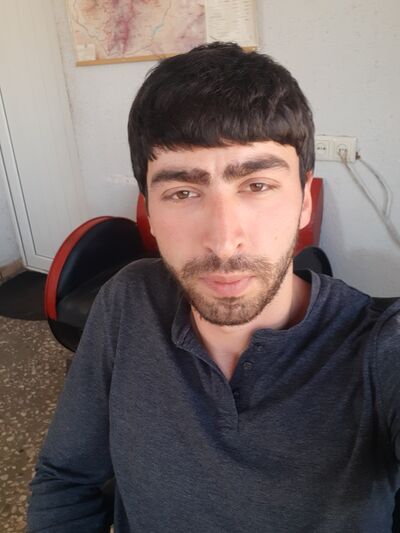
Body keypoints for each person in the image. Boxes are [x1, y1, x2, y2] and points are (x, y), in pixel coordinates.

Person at [28, 42, 400, 532]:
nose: (224, 241)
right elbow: (65, 479)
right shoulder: (128, 300)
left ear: (305, 203)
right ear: (149, 212)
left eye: (257, 186)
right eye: (183, 192)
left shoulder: (379, 351)